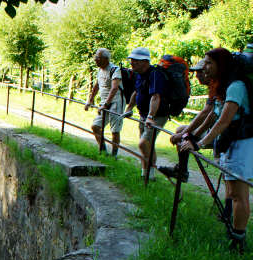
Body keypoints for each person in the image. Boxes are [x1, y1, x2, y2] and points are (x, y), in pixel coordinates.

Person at [179, 48, 253, 253]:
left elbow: (224, 120)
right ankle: (233, 233)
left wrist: (199, 143)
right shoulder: (225, 87)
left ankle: (238, 239)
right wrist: (193, 135)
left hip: (243, 144)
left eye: (209, 63)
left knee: (239, 194)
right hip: (232, 142)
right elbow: (213, 116)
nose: (204, 67)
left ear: (221, 64)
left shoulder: (236, 87)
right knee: (233, 192)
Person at [160, 59, 217, 182]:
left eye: (200, 72)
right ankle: (182, 170)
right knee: (181, 130)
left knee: (183, 133)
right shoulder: (213, 87)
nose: (197, 76)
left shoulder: (217, 86)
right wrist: (186, 133)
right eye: (196, 72)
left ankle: (182, 172)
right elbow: (206, 115)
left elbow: (206, 114)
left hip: (219, 132)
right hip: (214, 129)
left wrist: (189, 135)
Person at [123, 47, 168, 181]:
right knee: (148, 145)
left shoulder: (155, 74)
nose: (131, 63)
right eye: (131, 60)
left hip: (156, 116)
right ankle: (146, 175)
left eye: (134, 61)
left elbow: (156, 96)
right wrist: (129, 108)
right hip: (143, 115)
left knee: (144, 143)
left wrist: (150, 116)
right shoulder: (139, 74)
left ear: (144, 61)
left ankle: (151, 172)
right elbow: (137, 92)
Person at [84, 48, 125, 157]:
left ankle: (114, 155)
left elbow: (115, 88)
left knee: (115, 130)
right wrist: (90, 100)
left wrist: (106, 104)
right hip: (104, 103)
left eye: (98, 58)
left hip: (116, 102)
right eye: (95, 57)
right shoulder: (100, 70)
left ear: (105, 59)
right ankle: (103, 151)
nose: (95, 60)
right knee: (95, 126)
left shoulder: (115, 70)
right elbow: (97, 85)